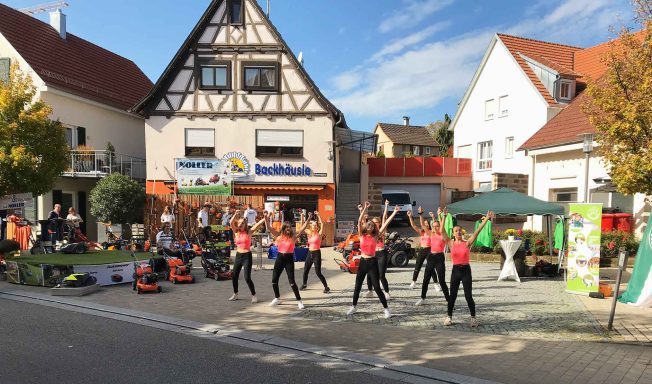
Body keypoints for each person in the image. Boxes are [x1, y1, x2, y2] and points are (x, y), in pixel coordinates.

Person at [440, 208, 494, 327]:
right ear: (453, 233)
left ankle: (473, 318)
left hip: (465, 270)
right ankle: (449, 317)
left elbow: (478, 231)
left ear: (462, 232)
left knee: (468, 296)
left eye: (460, 230)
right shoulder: (450, 243)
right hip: (456, 270)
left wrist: (486, 219)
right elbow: (441, 231)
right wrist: (443, 216)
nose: (458, 232)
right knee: (452, 295)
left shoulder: (467, 243)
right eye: (456, 231)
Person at [347, 201, 399, 319]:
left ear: (374, 228)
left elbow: (385, 223)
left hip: (372, 262)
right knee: (358, 286)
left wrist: (395, 212)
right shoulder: (361, 235)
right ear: (366, 227)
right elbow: (359, 221)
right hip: (363, 262)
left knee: (376, 287)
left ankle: (386, 309)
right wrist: (364, 208)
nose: (370, 226)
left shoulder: (376, 236)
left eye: (372, 225)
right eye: (368, 225)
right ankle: (354, 307)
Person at [265, 211, 311, 309]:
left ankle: (299, 301)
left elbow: (303, 228)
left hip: (289, 259)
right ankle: (277, 298)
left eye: (289, 228)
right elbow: (269, 227)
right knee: (274, 280)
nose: (288, 230)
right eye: (286, 228)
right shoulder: (278, 236)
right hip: (279, 258)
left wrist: (309, 218)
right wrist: (266, 217)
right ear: (283, 229)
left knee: (292, 282)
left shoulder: (293, 237)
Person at [228, 210, 267, 303]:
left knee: (247, 278)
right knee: (234, 276)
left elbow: (257, 225)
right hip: (238, 255)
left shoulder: (249, 232)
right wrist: (235, 214)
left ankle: (254, 295)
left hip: (247, 256)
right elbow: (230, 222)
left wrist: (265, 217)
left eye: (242, 223)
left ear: (245, 224)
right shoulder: (236, 232)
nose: (241, 224)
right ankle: (235, 294)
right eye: (240, 223)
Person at [413, 208, 450, 306]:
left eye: (437, 226)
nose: (436, 228)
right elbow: (422, 225)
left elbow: (442, 228)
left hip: (439, 257)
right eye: (434, 226)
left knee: (442, 281)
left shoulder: (442, 235)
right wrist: (420, 214)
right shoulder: (431, 234)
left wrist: (443, 216)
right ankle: (423, 298)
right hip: (431, 257)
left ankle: (448, 299)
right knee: (426, 279)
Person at [364, 200, 391, 300]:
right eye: (374, 223)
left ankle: (387, 292)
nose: (375, 224)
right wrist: (364, 209)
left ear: (379, 223)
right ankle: (370, 291)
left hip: (381, 253)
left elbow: (384, 218)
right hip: (372, 253)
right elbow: (363, 221)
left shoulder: (382, 230)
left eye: (377, 223)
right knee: (369, 273)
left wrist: (386, 206)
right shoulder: (370, 232)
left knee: (381, 275)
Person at [407, 207, 438, 290]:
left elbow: (436, 225)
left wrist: (433, 217)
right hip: (422, 250)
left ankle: (436, 284)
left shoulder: (432, 232)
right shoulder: (422, 232)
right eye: (425, 224)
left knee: (431, 267)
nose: (426, 225)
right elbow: (413, 225)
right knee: (417, 266)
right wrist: (410, 216)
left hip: (430, 250)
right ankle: (413, 282)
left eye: (427, 223)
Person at [300, 211, 330, 293]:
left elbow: (323, 224)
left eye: (316, 225)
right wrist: (303, 216)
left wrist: (318, 215)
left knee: (318, 272)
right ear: (311, 226)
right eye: (313, 225)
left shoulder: (319, 234)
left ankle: (326, 287)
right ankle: (304, 284)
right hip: (310, 253)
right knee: (306, 270)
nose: (315, 226)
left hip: (317, 253)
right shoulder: (309, 232)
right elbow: (303, 226)